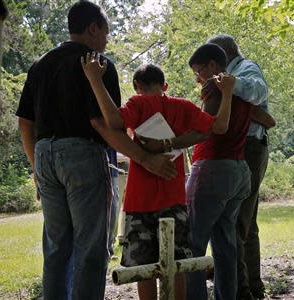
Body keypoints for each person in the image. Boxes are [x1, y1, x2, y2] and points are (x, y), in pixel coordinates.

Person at [16, 2, 176, 299]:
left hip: (43, 156)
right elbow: (103, 124)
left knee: (56, 247)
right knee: (90, 247)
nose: (107, 39)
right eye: (106, 31)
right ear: (93, 28)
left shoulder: (40, 64)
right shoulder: (97, 64)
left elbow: (25, 121)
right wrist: (145, 159)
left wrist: (36, 169)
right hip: (83, 156)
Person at [80, 59, 235, 300]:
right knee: (176, 266)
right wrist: (227, 93)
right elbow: (221, 126)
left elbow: (112, 121)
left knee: (145, 269)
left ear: (136, 86)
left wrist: (95, 80)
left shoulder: (138, 103)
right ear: (165, 85)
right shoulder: (182, 106)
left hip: (139, 201)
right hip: (174, 199)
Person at [207, 34, 275, 300]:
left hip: (248, 148)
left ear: (222, 56)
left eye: (210, 61)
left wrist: (225, 85)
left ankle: (237, 291)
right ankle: (251, 286)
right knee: (245, 221)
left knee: (233, 221)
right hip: (239, 147)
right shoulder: (228, 74)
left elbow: (257, 92)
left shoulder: (245, 69)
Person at [184, 43, 252, 300]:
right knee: (225, 244)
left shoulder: (214, 86)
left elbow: (206, 126)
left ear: (212, 65)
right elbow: (265, 119)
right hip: (238, 168)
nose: (198, 79)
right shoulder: (241, 88)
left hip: (212, 168)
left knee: (194, 243)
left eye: (198, 71)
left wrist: (172, 140)